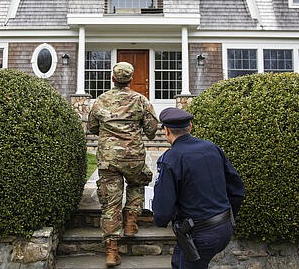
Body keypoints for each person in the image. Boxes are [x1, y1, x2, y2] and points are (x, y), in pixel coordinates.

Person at [153, 107, 245, 269]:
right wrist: (227, 218)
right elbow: (237, 189)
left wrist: (160, 220)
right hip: (224, 227)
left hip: (200, 235)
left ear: (166, 131)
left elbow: (163, 210)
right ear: (190, 127)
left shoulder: (171, 159)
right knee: (178, 261)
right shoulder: (212, 148)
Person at [88, 61, 158, 267]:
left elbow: (92, 127)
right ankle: (130, 222)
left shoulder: (101, 100)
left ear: (112, 78)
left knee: (110, 204)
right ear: (130, 79)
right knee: (138, 182)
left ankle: (111, 252)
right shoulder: (140, 100)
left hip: (108, 158)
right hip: (133, 156)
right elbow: (152, 130)